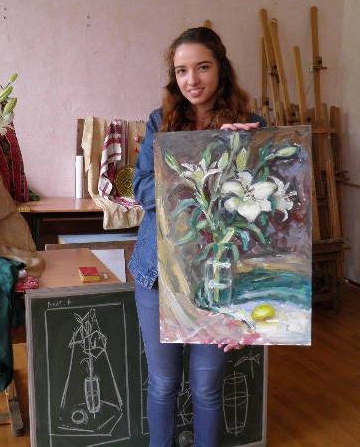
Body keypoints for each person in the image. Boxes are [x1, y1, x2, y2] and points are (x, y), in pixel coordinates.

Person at [129, 27, 266, 447]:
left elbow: (263, 215)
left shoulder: (253, 126)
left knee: (207, 387)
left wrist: (237, 152)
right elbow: (142, 189)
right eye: (182, 70)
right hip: (159, 274)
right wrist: (200, 160)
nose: (192, 80)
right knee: (163, 384)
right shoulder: (161, 121)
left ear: (220, 68)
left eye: (202, 67)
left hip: (220, 278)